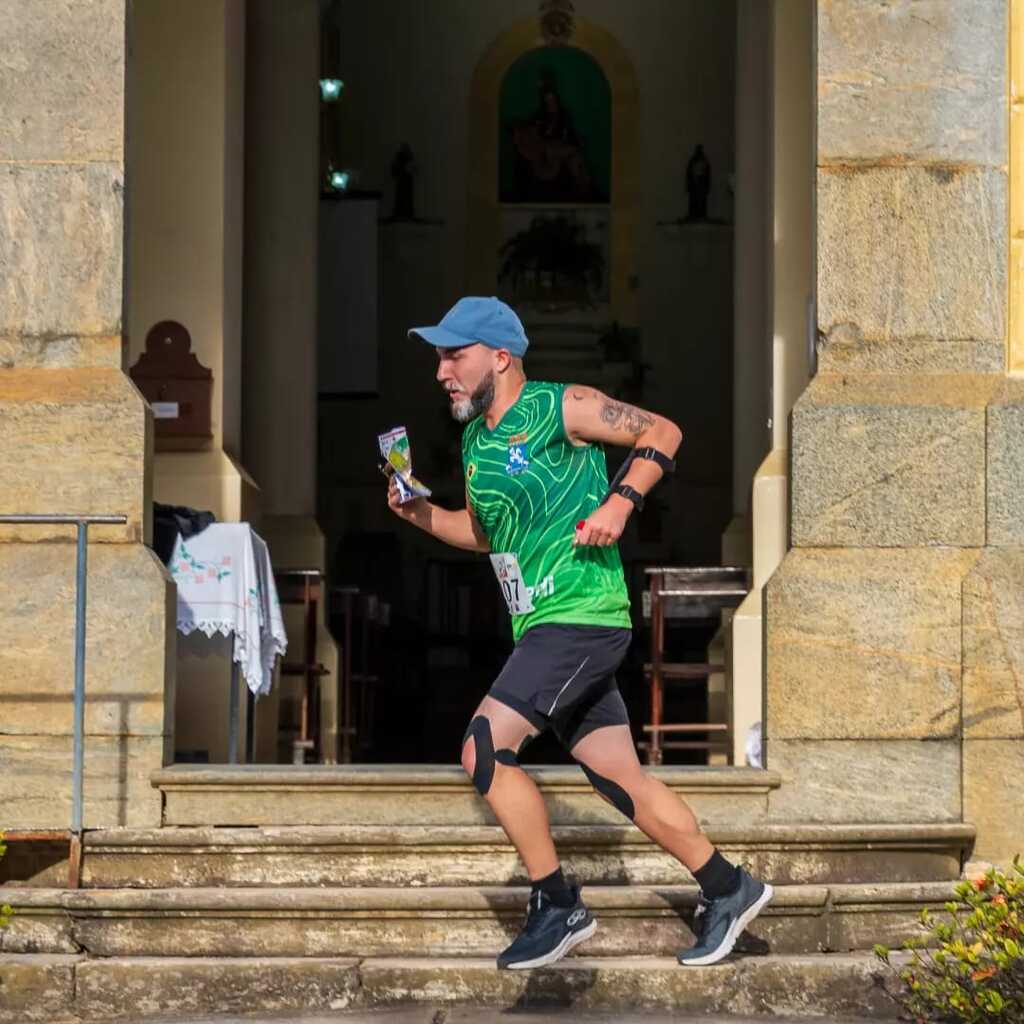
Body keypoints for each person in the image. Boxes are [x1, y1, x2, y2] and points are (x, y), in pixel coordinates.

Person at [387, 296, 773, 970]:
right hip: (544, 624)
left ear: (499, 356)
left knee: (483, 748)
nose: (442, 371)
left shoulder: (561, 406)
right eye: (439, 357)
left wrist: (619, 504)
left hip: (582, 617)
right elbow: (483, 535)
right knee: (619, 778)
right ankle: (728, 886)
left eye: (455, 354)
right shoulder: (478, 441)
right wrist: (418, 513)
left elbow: (665, 432)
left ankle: (556, 901)